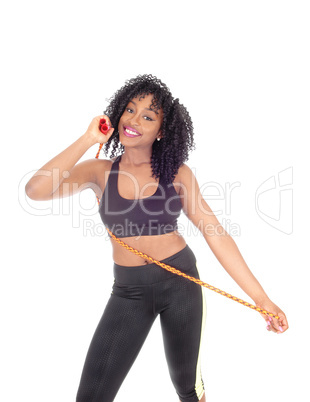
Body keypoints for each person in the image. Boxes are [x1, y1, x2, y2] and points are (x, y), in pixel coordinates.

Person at [25, 74, 289, 402]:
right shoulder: (99, 171)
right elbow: (35, 190)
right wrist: (87, 138)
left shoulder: (177, 174)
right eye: (130, 110)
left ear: (161, 131)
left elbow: (215, 233)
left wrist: (262, 300)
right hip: (128, 292)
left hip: (180, 284)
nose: (134, 120)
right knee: (91, 396)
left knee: (188, 389)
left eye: (148, 116)